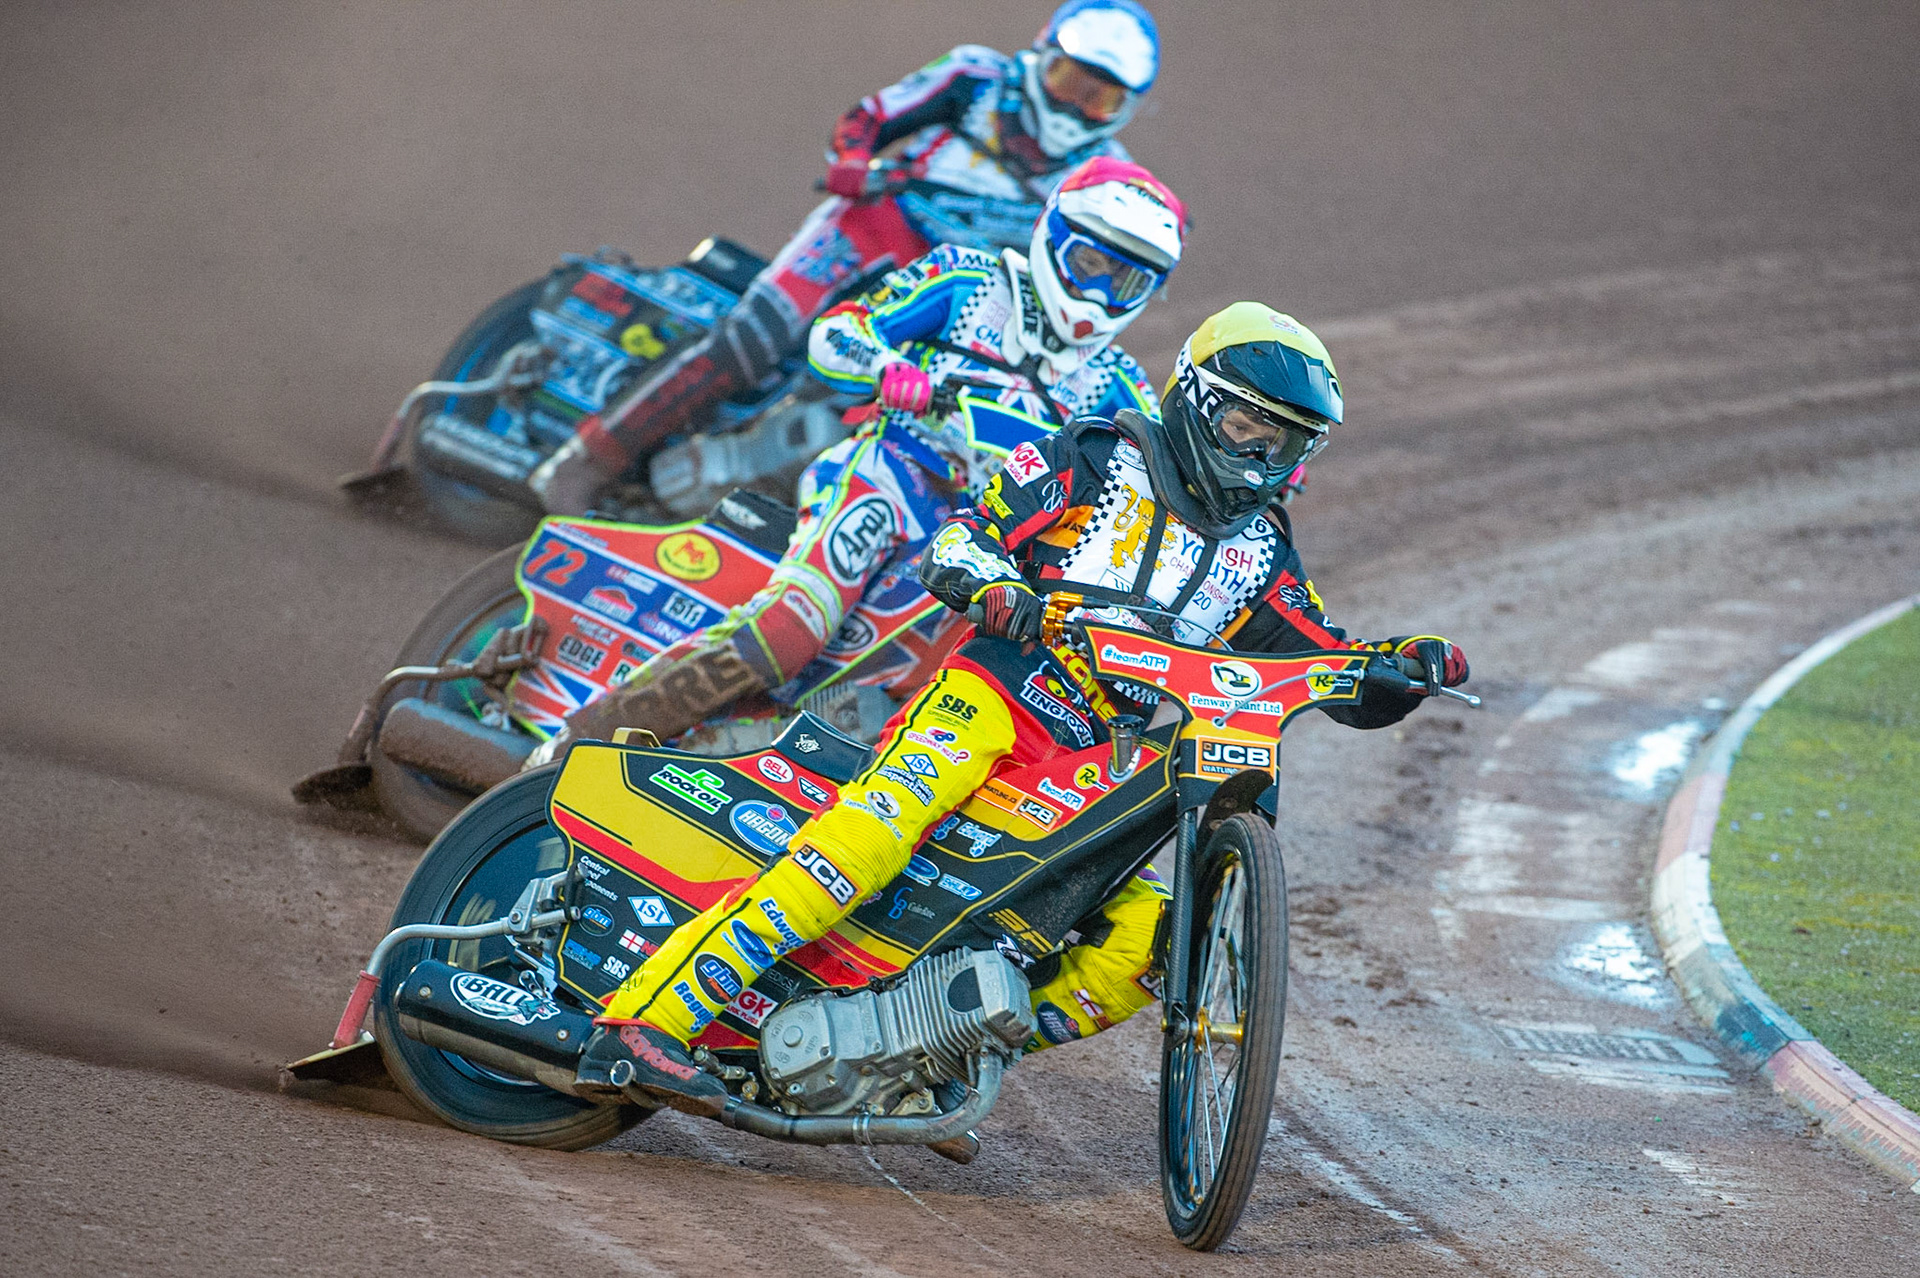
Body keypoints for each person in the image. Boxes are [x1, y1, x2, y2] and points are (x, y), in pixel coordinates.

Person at [572, 302, 1471, 1114]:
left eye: (1287, 444)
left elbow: (1319, 655)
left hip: (1089, 759)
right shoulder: (1095, 454)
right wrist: (993, 581)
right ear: (1197, 398)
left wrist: (1397, 668)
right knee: (870, 839)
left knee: (1145, 945)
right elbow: (967, 531)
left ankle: (919, 1061)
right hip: (996, 690)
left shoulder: (1265, 550)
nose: (1262, 458)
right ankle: (645, 1020)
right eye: (1248, 427)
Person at [523, 157, 1185, 763]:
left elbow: (1145, 501)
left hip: (975, 551)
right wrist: (891, 365)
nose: (1098, 293)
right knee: (786, 633)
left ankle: (735, 766)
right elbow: (837, 332)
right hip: (887, 476)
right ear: (1051, 236)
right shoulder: (969, 281)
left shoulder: (1120, 388)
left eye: (1125, 280)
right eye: (1089, 264)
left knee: (914, 703)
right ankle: (568, 745)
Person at [528, 0, 1165, 515]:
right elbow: (870, 116)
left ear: (1127, 109)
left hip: (956, 293)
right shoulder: (975, 76)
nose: (1077, 107)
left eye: (1101, 99)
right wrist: (854, 165)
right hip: (872, 226)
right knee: (754, 338)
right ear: (1042, 53)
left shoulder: (1109, 176)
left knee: (891, 414)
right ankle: (584, 464)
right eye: (1070, 81)